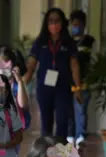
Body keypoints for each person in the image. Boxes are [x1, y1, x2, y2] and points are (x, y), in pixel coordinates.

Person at [23, 8, 82, 138]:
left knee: (62, 121)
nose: (54, 25)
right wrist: (21, 86)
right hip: (44, 88)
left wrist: (78, 88)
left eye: (57, 21)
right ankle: (46, 152)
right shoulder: (40, 42)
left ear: (62, 23)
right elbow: (31, 66)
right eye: (51, 21)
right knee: (46, 122)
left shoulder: (69, 43)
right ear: (46, 23)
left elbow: (74, 66)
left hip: (63, 87)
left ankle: (61, 152)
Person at [67, 10, 96, 148]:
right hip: (67, 82)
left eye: (78, 24)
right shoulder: (66, 41)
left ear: (84, 25)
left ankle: (80, 137)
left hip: (84, 82)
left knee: (81, 110)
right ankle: (70, 136)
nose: (75, 27)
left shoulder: (89, 41)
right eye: (73, 24)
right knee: (69, 112)